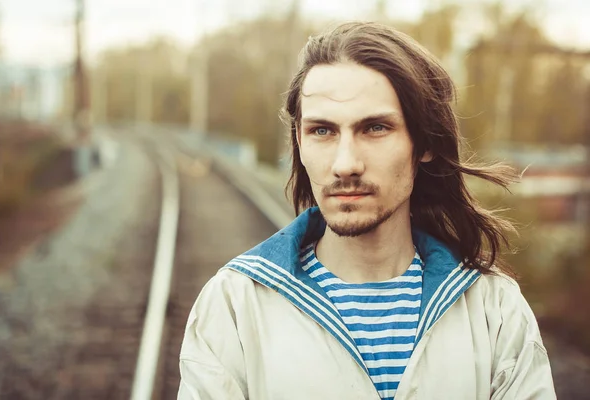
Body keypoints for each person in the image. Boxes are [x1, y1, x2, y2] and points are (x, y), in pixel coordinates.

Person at [177, 22, 556, 399]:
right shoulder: (233, 305)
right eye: (322, 131)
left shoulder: (495, 311)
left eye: (374, 128)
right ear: (299, 142)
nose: (345, 164)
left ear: (424, 142)